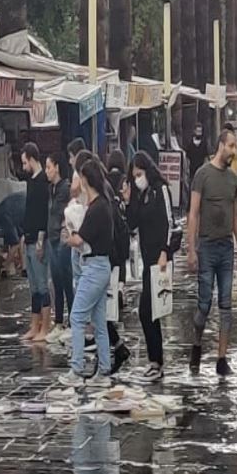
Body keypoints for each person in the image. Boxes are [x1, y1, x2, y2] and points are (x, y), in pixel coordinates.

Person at [187, 129, 237, 377]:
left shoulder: (233, 179)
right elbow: (193, 213)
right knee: (204, 304)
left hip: (226, 248)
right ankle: (197, 344)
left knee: (226, 305)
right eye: (230, 146)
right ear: (221, 145)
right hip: (207, 247)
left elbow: (236, 215)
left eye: (235, 147)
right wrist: (191, 249)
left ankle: (222, 358)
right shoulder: (202, 175)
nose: (233, 151)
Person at [61, 159, 115, 387]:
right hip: (101, 266)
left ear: (85, 180)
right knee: (99, 322)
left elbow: (79, 239)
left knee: (77, 316)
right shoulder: (103, 205)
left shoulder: (96, 209)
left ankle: (77, 368)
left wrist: (67, 235)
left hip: (93, 268)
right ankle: (104, 369)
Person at [126, 151, 173, 383]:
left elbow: (170, 222)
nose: (137, 178)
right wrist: (129, 199)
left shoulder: (159, 190)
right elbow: (132, 223)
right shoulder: (140, 195)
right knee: (148, 311)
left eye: (140, 174)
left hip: (159, 258)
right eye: (134, 175)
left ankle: (157, 361)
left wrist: (166, 250)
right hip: (146, 259)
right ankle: (155, 360)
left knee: (149, 310)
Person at [20, 142, 52, 341]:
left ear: (32, 159)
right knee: (33, 286)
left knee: (42, 284)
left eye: (24, 163)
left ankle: (45, 326)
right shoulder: (32, 181)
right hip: (29, 237)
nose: (23, 167)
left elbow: (42, 214)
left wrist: (40, 240)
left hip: (38, 240)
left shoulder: (42, 182)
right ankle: (34, 324)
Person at [105, 150, 132, 373]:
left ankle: (109, 352)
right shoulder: (123, 180)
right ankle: (120, 289)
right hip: (119, 239)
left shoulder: (105, 182)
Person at [45, 151, 75, 343]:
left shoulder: (65, 188)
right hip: (52, 238)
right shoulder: (52, 189)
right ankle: (58, 322)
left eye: (48, 167)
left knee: (66, 281)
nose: (47, 171)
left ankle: (72, 321)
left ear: (56, 167)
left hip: (62, 241)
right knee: (56, 282)